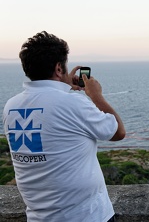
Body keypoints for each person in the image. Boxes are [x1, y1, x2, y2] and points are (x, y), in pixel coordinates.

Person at [2, 31, 126, 222]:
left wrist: (65, 88)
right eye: (65, 68)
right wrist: (95, 95)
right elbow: (118, 132)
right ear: (59, 68)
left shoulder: (11, 106)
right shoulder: (72, 102)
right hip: (85, 217)